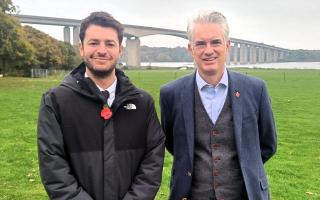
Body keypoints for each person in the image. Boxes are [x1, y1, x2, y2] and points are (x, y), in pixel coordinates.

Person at [37, 11, 165, 200]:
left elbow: (153, 161)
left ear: (120, 50)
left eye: (110, 43)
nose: (102, 50)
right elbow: (53, 166)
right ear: (81, 48)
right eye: (94, 42)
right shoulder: (56, 101)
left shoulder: (142, 103)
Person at [160, 10, 277, 200]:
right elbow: (174, 145)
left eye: (215, 42)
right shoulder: (171, 94)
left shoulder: (256, 90)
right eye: (200, 44)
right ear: (191, 49)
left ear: (227, 45)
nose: (208, 50)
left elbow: (268, 144)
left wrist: (246, 166)